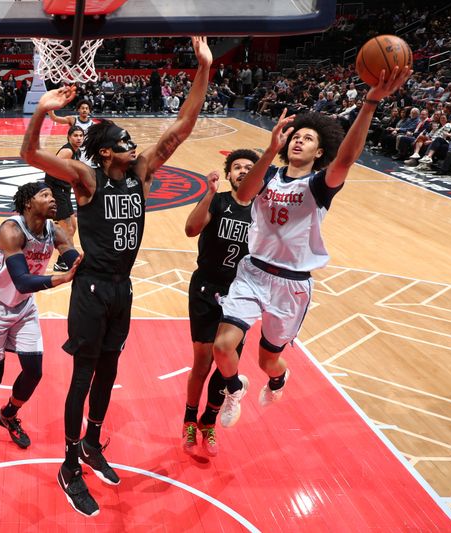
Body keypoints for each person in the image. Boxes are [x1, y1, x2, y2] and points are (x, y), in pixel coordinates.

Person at [21, 35, 212, 517]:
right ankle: (67, 463)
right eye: (124, 143)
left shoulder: (142, 173)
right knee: (83, 375)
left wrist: (203, 67)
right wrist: (42, 113)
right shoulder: (86, 180)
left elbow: (183, 126)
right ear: (106, 154)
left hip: (123, 288)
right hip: (90, 287)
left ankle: (91, 442)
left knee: (109, 370)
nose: (134, 146)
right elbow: (30, 157)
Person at [212, 66, 412, 428]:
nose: (299, 140)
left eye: (308, 138)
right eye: (296, 136)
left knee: (266, 360)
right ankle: (232, 387)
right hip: (253, 271)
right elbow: (242, 195)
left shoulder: (320, 185)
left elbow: (347, 158)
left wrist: (370, 102)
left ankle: (278, 379)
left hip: (291, 285)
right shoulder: (269, 174)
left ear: (321, 152)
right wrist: (270, 149)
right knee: (223, 346)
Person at [0, 182, 82, 456]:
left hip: (23, 308)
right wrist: (62, 278)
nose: (53, 200)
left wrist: (96, 265)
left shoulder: (56, 231)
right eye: (45, 195)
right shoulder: (11, 231)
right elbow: (21, 280)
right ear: (28, 203)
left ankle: (7, 414)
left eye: (53, 196)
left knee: (34, 370)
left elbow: (76, 260)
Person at [181, 149, 259, 456]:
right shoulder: (218, 200)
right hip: (205, 287)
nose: (242, 171)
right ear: (228, 175)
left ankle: (208, 421)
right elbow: (190, 229)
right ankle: (189, 418)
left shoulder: (263, 212)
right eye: (236, 167)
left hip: (240, 293)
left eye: (248, 168)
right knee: (202, 364)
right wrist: (208, 193)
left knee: (226, 365)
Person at [44, 125, 84, 273]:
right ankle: (67, 262)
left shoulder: (76, 151)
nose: (79, 138)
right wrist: (50, 193)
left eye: (81, 135)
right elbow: (51, 168)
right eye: (76, 135)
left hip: (64, 191)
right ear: (69, 137)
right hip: (57, 192)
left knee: (73, 226)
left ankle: (62, 259)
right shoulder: (67, 151)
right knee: (67, 228)